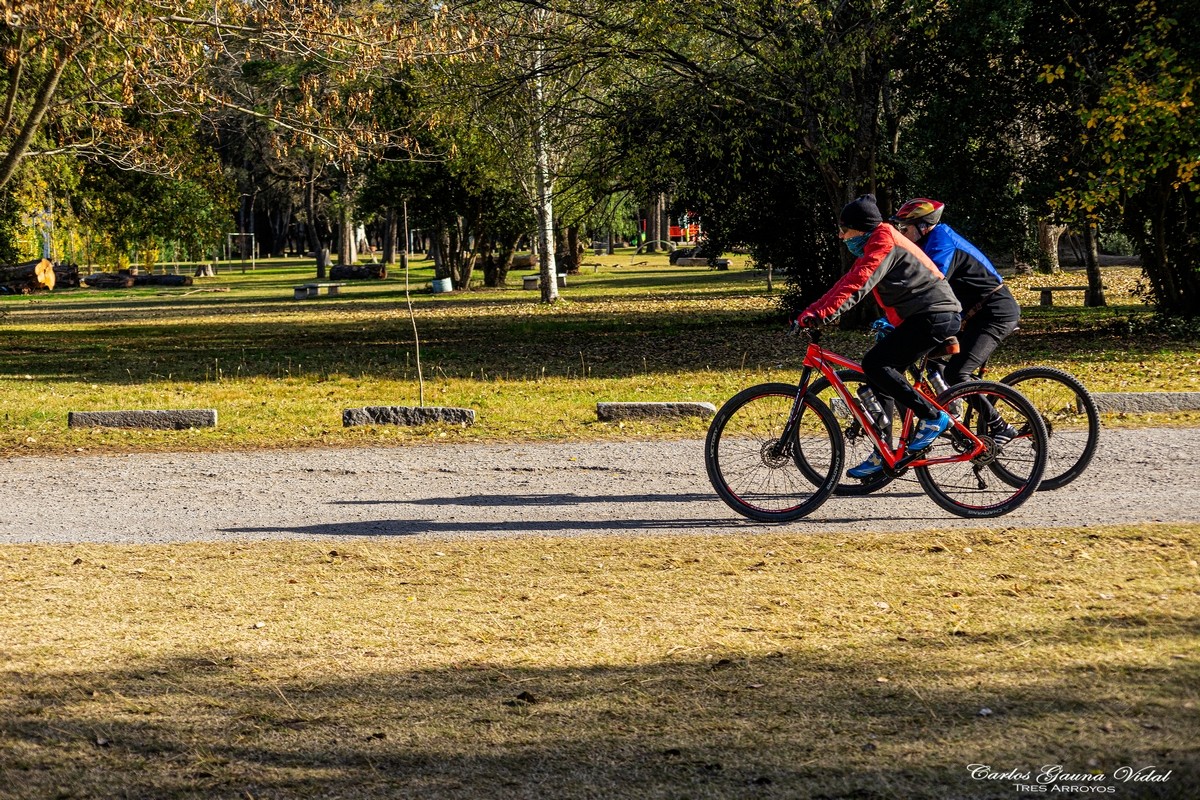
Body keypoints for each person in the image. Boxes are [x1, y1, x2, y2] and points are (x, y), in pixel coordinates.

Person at [797, 194, 962, 479]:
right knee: (878, 377)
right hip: (922, 316)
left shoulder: (883, 242)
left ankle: (933, 418)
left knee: (876, 364)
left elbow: (858, 284)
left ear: (862, 229)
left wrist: (820, 314)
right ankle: (884, 451)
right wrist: (813, 310)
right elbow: (847, 282)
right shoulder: (878, 241)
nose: (840, 235)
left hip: (934, 316)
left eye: (844, 230)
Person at [891, 198, 1022, 442]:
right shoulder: (927, 242)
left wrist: (900, 319)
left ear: (923, 226)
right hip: (969, 314)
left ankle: (999, 425)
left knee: (956, 373)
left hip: (994, 312)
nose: (902, 233)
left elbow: (930, 284)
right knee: (929, 355)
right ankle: (951, 408)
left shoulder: (941, 240)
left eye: (905, 228)